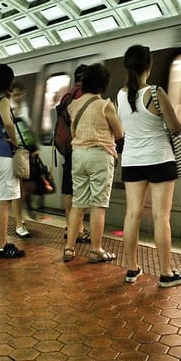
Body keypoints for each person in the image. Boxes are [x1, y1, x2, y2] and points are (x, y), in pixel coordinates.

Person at [117, 45, 181, 288]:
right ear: (148, 66)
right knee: (161, 217)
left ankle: (131, 268)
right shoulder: (155, 93)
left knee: (132, 214)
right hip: (159, 159)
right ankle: (166, 273)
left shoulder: (120, 95)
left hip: (132, 161)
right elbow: (175, 127)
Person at [62, 63, 123, 263]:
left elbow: (72, 133)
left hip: (78, 156)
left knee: (78, 203)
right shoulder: (105, 105)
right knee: (98, 204)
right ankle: (96, 250)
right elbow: (120, 133)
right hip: (100, 155)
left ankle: (69, 248)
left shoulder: (74, 105)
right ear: (103, 85)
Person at [0, 64, 26, 259]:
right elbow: (8, 123)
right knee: (5, 203)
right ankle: (2, 246)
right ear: (8, 81)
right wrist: (15, 142)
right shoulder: (3, 101)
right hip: (3, 154)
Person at [60, 65, 90, 244]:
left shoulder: (67, 96)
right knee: (81, 190)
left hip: (67, 148)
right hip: (81, 147)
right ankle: (77, 229)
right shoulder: (85, 96)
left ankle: (69, 225)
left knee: (68, 189)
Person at [8, 81, 34, 237]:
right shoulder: (9, 110)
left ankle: (20, 217)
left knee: (23, 188)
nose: (18, 97)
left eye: (21, 93)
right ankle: (18, 222)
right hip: (14, 152)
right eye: (15, 94)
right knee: (16, 188)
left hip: (26, 152)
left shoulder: (25, 110)